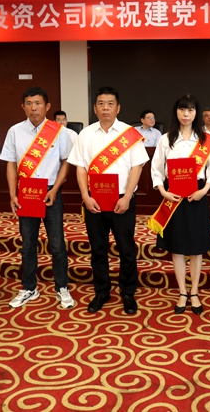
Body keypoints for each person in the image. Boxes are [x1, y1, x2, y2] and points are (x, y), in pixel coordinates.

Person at [70, 87, 149, 314]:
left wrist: (127, 196)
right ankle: (102, 291)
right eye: (101, 104)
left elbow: (137, 167)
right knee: (98, 249)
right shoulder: (85, 135)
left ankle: (128, 292)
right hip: (94, 201)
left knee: (126, 249)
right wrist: (85, 196)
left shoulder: (129, 134)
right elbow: (81, 168)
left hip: (122, 200)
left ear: (118, 108)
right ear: (95, 108)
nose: (106, 108)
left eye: (110, 103)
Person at [1, 87, 74, 309]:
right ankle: (29, 288)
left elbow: (66, 162)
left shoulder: (59, 131)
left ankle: (62, 287)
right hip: (26, 193)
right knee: (28, 244)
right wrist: (12, 194)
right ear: (23, 107)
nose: (34, 108)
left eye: (38, 103)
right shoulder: (15, 131)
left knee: (57, 245)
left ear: (47, 106)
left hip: (51, 192)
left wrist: (56, 189)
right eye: (29, 103)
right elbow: (11, 164)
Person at [149, 94, 210, 315]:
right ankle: (182, 292)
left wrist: (204, 191)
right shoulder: (165, 139)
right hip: (173, 196)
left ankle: (195, 292)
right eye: (182, 109)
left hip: (197, 196)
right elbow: (156, 169)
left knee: (197, 248)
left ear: (196, 113)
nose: (186, 114)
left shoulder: (206, 140)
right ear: (176, 112)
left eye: (190, 110)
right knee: (177, 247)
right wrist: (163, 192)